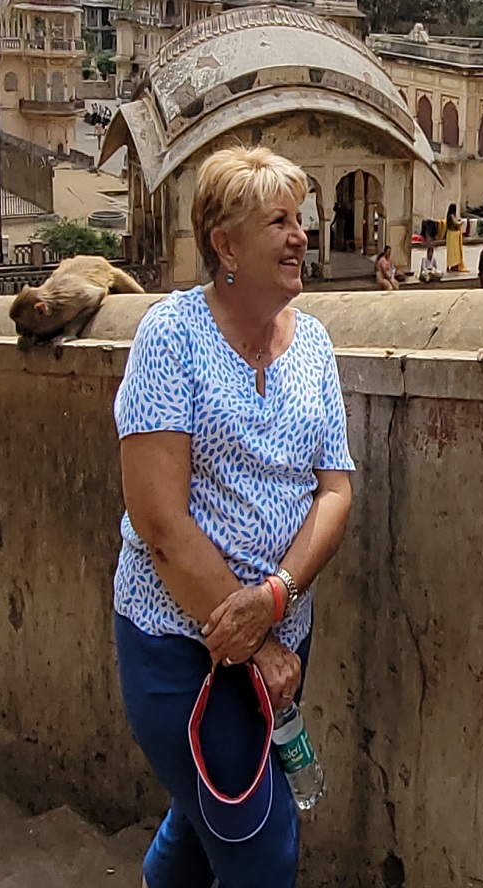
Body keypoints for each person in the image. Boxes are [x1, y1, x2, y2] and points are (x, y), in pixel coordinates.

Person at [114, 146, 354, 888]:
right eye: (277, 221)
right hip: (180, 647)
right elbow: (159, 522)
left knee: (199, 826)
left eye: (300, 220)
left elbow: (335, 489)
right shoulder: (171, 336)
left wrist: (276, 598)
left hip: (280, 639)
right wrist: (251, 642)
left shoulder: (311, 343)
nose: (299, 236)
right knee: (260, 843)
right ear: (224, 244)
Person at [445, 203, 466, 273]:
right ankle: (453, 265)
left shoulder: (451, 216)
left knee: (454, 252)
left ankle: (453, 265)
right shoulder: (451, 216)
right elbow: (456, 223)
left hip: (453, 235)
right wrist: (461, 222)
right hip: (452, 235)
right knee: (453, 252)